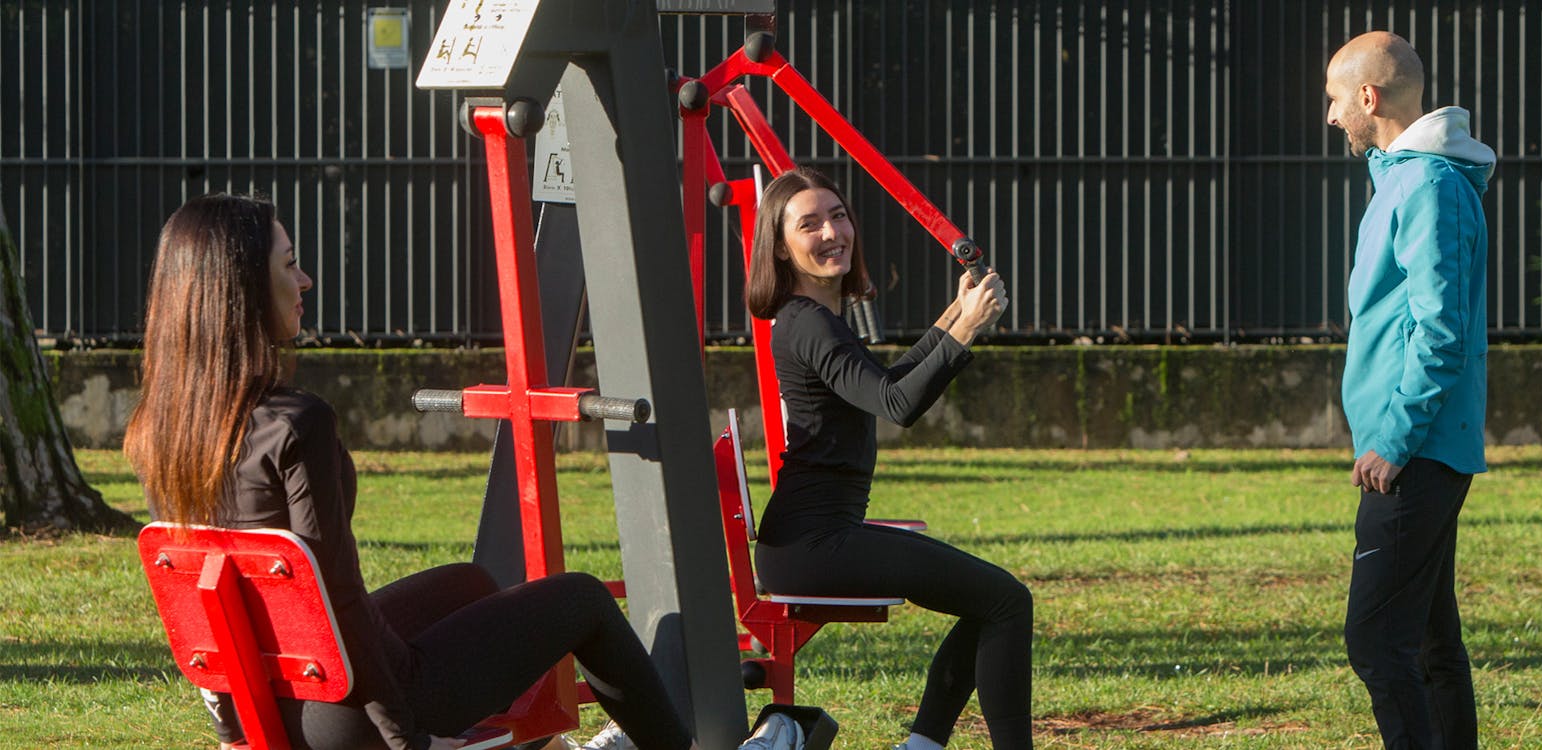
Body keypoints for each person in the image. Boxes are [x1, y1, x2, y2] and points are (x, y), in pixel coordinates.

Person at [123, 193, 707, 750]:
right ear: (242, 289)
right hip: (346, 718)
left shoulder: (162, 427)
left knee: (470, 585)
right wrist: (406, 740)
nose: (304, 282)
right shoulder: (298, 424)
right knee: (581, 599)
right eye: (291, 265)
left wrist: (235, 732)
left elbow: (199, 605)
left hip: (272, 696)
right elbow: (341, 595)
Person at [744, 167, 1034, 750]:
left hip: (812, 541)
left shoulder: (815, 321)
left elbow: (882, 383)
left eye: (839, 215)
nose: (832, 232)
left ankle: (923, 745)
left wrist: (953, 318)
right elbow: (898, 404)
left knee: (992, 602)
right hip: (814, 546)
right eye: (810, 224)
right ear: (780, 246)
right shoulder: (810, 326)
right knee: (1006, 601)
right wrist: (968, 331)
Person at [1324, 31, 1493, 749]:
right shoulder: (1401, 177)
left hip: (1415, 453)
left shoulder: (1428, 186)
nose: (1331, 117)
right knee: (1427, 643)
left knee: (1374, 642)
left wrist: (1392, 440)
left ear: (1369, 97)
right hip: (1410, 448)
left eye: (1335, 100)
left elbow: (1442, 332)